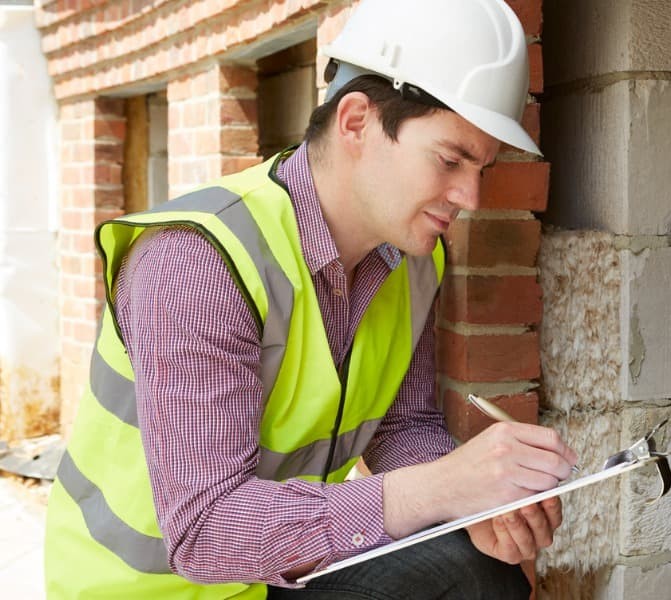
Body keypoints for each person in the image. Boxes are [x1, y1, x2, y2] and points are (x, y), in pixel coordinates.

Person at [44, 0, 577, 598]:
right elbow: (204, 532)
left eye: (482, 169)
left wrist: (473, 505)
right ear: (356, 121)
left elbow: (401, 426)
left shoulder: (412, 260)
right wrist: (439, 489)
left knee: (479, 572)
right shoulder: (196, 263)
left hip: (276, 574)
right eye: (450, 160)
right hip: (151, 589)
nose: (470, 197)